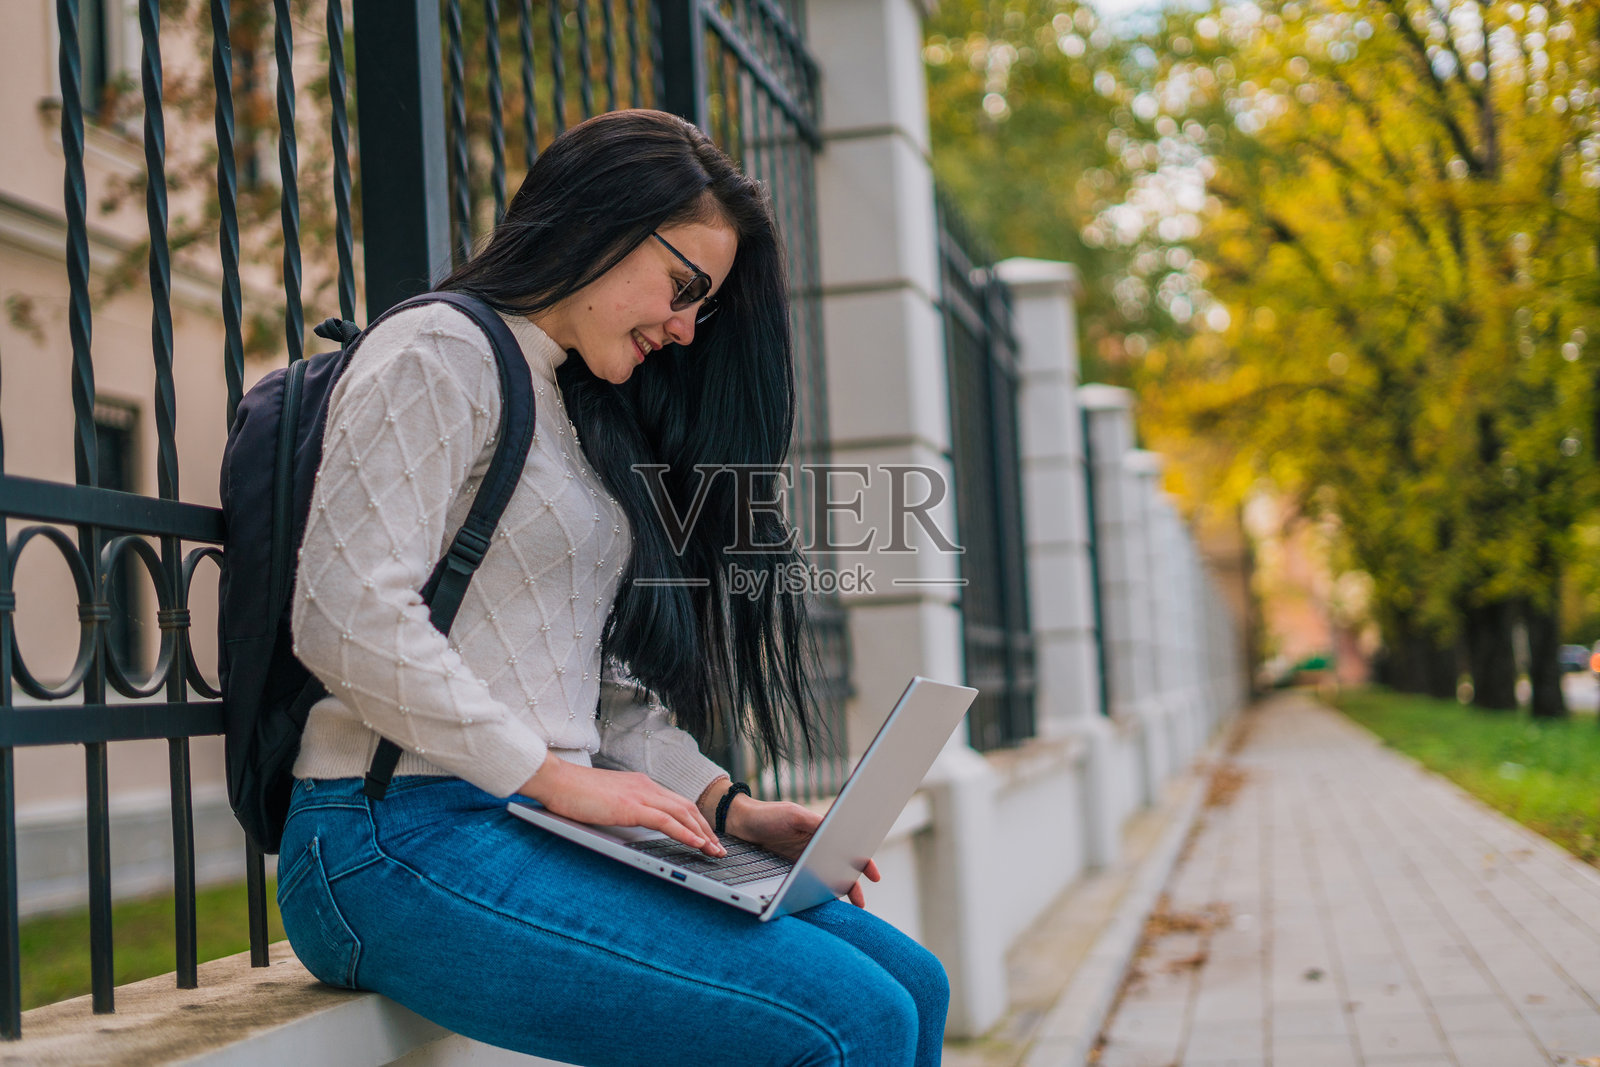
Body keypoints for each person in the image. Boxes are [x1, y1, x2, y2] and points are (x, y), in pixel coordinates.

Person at [276, 109, 949, 1067]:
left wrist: (726, 806)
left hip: (526, 822)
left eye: (700, 306)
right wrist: (552, 776)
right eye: (683, 288)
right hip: (387, 836)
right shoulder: (437, 351)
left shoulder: (569, 405)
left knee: (914, 985)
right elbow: (344, 611)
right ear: (603, 221)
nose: (683, 327)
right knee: (851, 1020)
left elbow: (587, 690)